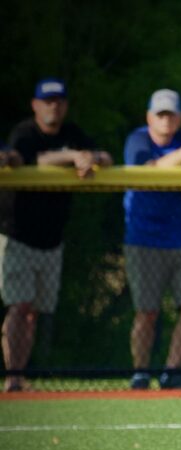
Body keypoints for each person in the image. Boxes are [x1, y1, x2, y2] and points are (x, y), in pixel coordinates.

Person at [1, 78, 112, 392]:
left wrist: (91, 158)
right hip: (17, 235)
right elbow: (29, 157)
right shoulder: (25, 133)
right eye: (48, 101)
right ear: (35, 104)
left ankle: (19, 375)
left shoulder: (72, 133)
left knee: (33, 312)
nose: (54, 106)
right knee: (18, 306)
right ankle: (13, 377)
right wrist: (73, 157)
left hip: (52, 239)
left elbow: (104, 155)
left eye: (59, 100)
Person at [124, 88, 181, 390]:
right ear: (149, 116)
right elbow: (149, 170)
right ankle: (140, 372)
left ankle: (170, 372)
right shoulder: (138, 140)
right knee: (147, 311)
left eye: (171, 114)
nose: (166, 120)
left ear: (179, 118)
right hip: (144, 239)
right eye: (160, 114)